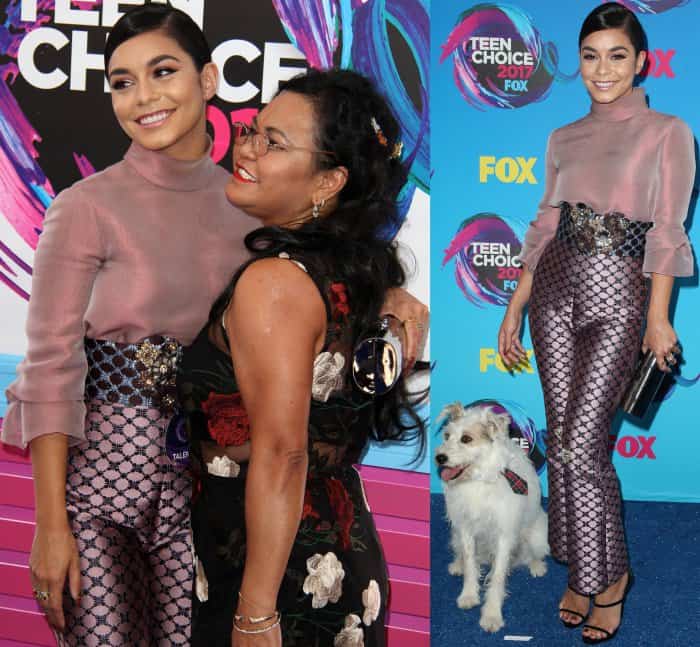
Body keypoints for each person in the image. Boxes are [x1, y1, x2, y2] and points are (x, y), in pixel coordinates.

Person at [1, 5, 428, 645]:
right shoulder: (83, 207)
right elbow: (49, 369)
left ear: (208, 81)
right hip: (98, 484)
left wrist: (393, 292)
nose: (143, 97)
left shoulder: (248, 203)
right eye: (122, 81)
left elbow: (316, 275)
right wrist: (50, 524)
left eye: (162, 72)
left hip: (205, 495)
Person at [177, 68, 428, 647]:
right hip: (315, 560)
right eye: (254, 130)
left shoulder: (274, 282)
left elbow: (283, 455)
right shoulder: (352, 277)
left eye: (275, 142)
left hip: (280, 583)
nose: (248, 148)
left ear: (327, 182)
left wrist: (256, 614)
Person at [497, 3, 693, 644]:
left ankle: (608, 575)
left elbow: (667, 229)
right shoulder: (563, 138)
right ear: (577, 64)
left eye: (616, 55)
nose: (602, 69)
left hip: (620, 294)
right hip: (554, 286)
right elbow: (546, 220)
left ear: (640, 63)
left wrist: (657, 318)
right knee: (563, 439)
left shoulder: (669, 131)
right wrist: (517, 301)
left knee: (583, 445)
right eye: (590, 56)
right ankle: (586, 572)